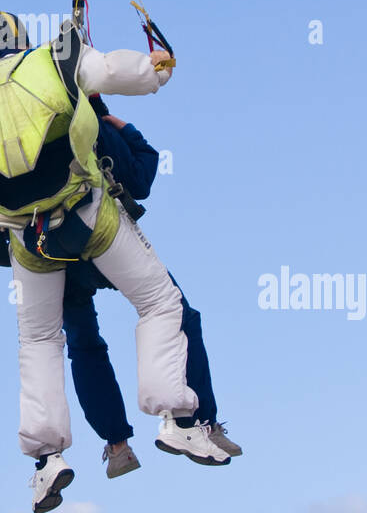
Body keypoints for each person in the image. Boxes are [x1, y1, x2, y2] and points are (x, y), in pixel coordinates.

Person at [0, 10, 201, 513]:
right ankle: (172, 418)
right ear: (23, 40)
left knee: (39, 341)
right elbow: (118, 74)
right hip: (90, 215)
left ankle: (47, 458)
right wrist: (157, 69)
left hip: (28, 241)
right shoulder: (54, 61)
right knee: (159, 302)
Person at [59, 95, 242, 477]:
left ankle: (118, 446)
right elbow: (140, 178)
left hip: (49, 251)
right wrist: (114, 121)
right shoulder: (89, 123)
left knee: (83, 344)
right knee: (175, 311)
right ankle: (200, 420)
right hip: (109, 237)